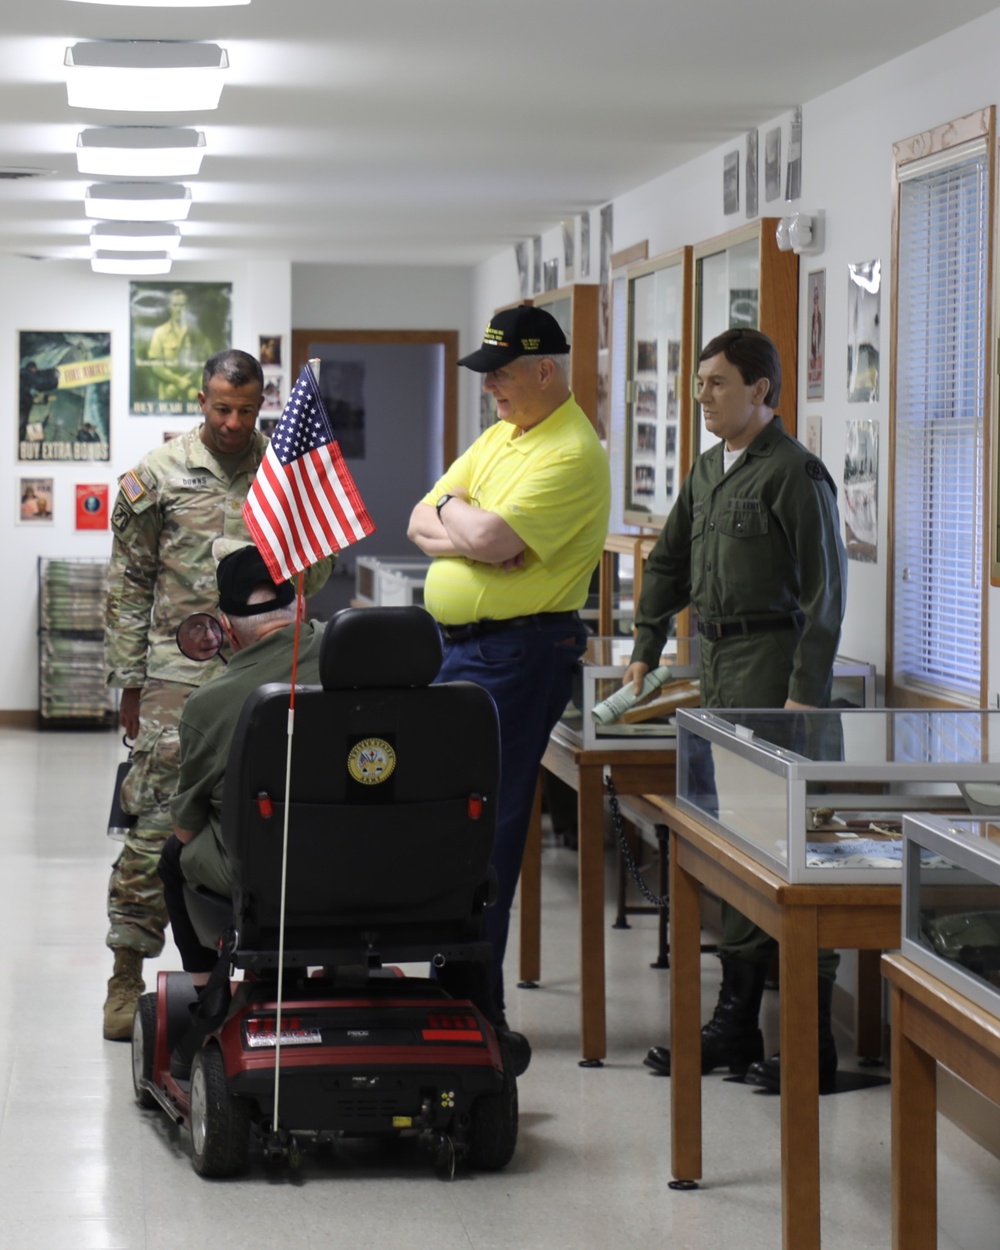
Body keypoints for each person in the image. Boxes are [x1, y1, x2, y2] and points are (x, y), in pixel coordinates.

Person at [627, 328, 847, 1094]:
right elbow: (670, 560)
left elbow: (827, 591)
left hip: (772, 670)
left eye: (717, 383)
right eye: (698, 384)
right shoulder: (712, 467)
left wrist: (803, 697)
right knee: (731, 847)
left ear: (760, 389)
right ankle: (736, 1021)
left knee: (782, 851)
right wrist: (646, 643)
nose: (702, 397)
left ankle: (812, 1039)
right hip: (718, 666)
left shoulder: (795, 472)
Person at [102, 349, 332, 1041]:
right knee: (153, 824)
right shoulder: (160, 476)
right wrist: (130, 684)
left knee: (280, 813)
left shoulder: (285, 471)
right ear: (201, 400)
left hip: (266, 664)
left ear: (262, 402)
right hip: (178, 677)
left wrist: (306, 522)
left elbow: (314, 578)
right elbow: (129, 585)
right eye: (220, 408)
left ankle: (273, 968)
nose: (233, 422)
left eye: (246, 408)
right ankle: (125, 973)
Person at [407, 304, 611, 1063]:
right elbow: (417, 520)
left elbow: (483, 535)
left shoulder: (571, 453)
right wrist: (471, 526)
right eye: (485, 374)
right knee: (453, 821)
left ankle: (475, 1006)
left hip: (518, 655)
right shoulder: (502, 437)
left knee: (485, 826)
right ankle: (454, 987)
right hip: (461, 649)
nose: (489, 386)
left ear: (544, 370)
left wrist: (469, 528)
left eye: (501, 373)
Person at [148, 289, 202, 405]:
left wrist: (187, 380)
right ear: (169, 307)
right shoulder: (159, 333)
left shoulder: (195, 333)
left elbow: (202, 362)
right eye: (175, 305)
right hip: (168, 395)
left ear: (187, 307)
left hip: (191, 394)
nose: (178, 309)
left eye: (182, 305)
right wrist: (177, 381)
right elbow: (156, 366)